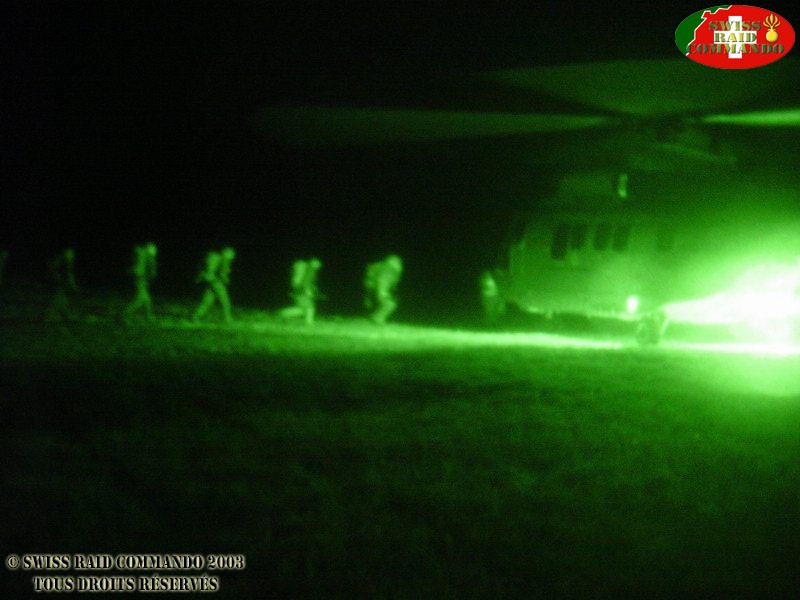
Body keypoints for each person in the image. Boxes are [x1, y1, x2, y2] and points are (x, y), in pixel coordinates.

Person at [193, 246, 236, 324]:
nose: (233, 256)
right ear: (226, 252)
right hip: (216, 282)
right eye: (231, 254)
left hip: (212, 281)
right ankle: (228, 319)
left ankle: (196, 317)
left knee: (207, 301)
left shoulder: (220, 259)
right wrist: (224, 279)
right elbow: (218, 273)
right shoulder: (221, 259)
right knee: (225, 301)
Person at [279, 257, 322, 324]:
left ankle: (284, 313)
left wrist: (313, 290)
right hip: (302, 292)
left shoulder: (307, 270)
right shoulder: (310, 271)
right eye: (318, 264)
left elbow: (307, 282)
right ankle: (309, 322)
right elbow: (306, 282)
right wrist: (308, 291)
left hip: (298, 291)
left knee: (303, 309)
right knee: (309, 307)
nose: (319, 266)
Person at [364, 254, 403, 324]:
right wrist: (383, 292)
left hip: (370, 287)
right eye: (399, 263)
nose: (400, 266)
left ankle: (371, 317)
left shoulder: (380, 266)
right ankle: (377, 318)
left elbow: (370, 277)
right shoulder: (389, 269)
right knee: (390, 304)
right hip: (378, 288)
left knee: (373, 304)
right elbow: (382, 280)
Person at [124, 242, 158, 321]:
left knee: (147, 299)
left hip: (139, 278)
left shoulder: (141, 255)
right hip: (141, 279)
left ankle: (149, 316)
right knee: (140, 299)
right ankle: (125, 314)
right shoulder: (147, 257)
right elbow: (151, 272)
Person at [47, 248, 78, 320]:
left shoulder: (66, 263)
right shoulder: (63, 263)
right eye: (70, 255)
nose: (72, 257)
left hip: (61, 284)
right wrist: (72, 285)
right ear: (66, 255)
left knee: (62, 299)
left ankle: (64, 314)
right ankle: (51, 314)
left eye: (72, 255)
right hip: (59, 284)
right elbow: (68, 275)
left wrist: (72, 284)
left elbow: (69, 275)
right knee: (59, 299)